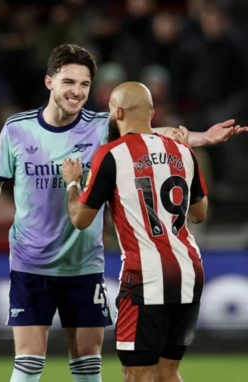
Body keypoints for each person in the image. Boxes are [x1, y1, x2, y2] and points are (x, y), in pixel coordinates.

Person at [0, 44, 246, 382]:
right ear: (50, 82)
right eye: (69, 82)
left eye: (84, 84)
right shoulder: (17, 128)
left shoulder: (100, 127)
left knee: (88, 365)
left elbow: (148, 134)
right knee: (29, 363)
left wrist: (201, 138)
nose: (77, 92)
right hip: (30, 261)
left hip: (83, 263)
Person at [62, 81, 208, 382]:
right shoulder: (182, 150)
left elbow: (80, 219)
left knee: (136, 374)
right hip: (189, 272)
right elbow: (198, 214)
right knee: (168, 373)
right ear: (152, 112)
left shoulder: (112, 154)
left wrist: (73, 183)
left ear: (117, 112)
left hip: (146, 275)